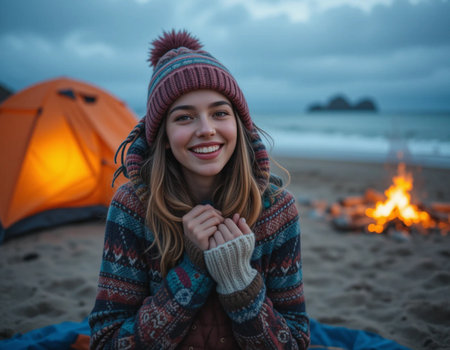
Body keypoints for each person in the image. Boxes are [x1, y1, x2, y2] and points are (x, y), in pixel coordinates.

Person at [89, 29, 310, 349]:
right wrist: (194, 270)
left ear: (239, 124)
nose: (206, 130)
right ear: (162, 136)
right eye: (184, 117)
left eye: (220, 113)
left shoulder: (277, 209)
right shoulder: (133, 207)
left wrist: (238, 280)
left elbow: (296, 342)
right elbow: (107, 342)